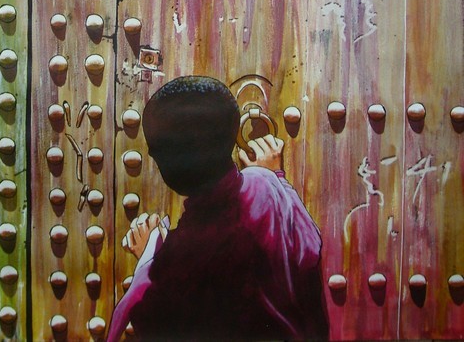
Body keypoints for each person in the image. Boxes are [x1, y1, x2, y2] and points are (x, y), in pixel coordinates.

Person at [106, 76, 329, 342]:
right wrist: (276, 177)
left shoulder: (177, 256)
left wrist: (148, 257)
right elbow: (310, 246)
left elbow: (157, 326)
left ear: (161, 160)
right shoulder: (266, 184)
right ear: (233, 137)